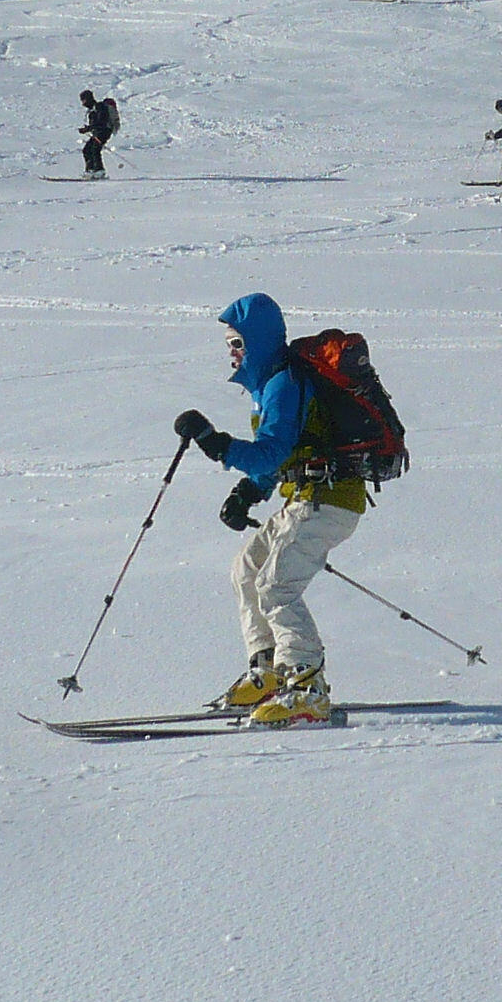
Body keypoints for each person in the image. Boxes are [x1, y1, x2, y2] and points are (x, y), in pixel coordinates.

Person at [173, 294, 367, 725]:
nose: (232, 352)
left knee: (276, 587)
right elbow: (283, 455)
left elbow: (271, 451)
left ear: (257, 341)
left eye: (237, 343)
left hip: (330, 500)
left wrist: (215, 443)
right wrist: (249, 492)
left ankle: (307, 686)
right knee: (247, 569)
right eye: (229, 343)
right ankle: (268, 673)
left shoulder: (283, 383)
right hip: (307, 498)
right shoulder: (271, 384)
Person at [78, 90, 120, 175]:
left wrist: (88, 129)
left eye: (84, 100)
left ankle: (99, 170)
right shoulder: (92, 110)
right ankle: (90, 170)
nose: (83, 103)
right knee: (87, 149)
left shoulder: (100, 107)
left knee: (95, 149)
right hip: (98, 132)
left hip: (104, 131)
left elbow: (101, 122)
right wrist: (88, 129)